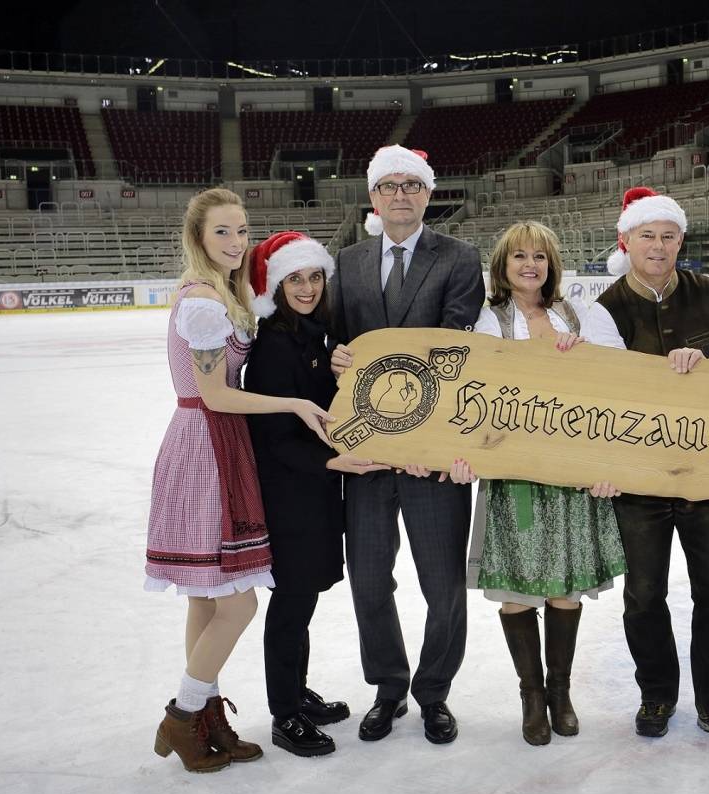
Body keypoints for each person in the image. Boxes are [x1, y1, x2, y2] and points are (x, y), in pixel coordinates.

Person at [145, 189, 332, 773]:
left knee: (206, 597)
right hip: (206, 443)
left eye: (241, 230)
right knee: (238, 604)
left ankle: (205, 721)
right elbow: (216, 393)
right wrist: (297, 403)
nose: (234, 242)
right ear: (198, 237)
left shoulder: (222, 293)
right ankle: (183, 715)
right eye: (222, 232)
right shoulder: (201, 301)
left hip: (216, 439)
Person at [582, 187, 709, 752]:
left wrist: (708, 365)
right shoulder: (602, 310)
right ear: (625, 241)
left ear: (681, 240)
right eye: (646, 236)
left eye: (668, 235)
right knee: (644, 594)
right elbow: (608, 392)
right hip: (638, 477)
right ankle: (656, 692)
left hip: (707, 469)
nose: (658, 246)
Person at [328, 145, 486, 746]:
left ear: (427, 195)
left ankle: (434, 692)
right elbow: (338, 341)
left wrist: (426, 438)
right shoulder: (348, 261)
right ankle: (389, 686)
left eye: (412, 185)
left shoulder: (460, 258)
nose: (400, 195)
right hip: (368, 453)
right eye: (389, 185)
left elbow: (452, 350)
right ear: (373, 197)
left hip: (432, 454)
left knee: (441, 584)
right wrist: (336, 356)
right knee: (368, 580)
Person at [447, 221, 627, 746]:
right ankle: (531, 694)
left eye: (540, 258)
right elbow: (472, 393)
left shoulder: (581, 316)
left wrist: (587, 359)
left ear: (552, 266)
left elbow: (617, 383)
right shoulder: (487, 321)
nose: (531, 265)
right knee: (520, 587)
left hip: (572, 468)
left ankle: (560, 690)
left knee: (565, 588)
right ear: (502, 266)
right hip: (515, 471)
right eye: (520, 256)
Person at [243, 231, 388, 757]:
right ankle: (284, 713)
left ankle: (296, 692)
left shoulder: (314, 335)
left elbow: (323, 407)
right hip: (291, 496)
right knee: (290, 605)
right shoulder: (274, 344)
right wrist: (332, 460)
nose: (306, 287)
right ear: (277, 286)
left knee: (301, 602)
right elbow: (275, 439)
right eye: (295, 279)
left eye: (314, 277)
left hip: (318, 491)